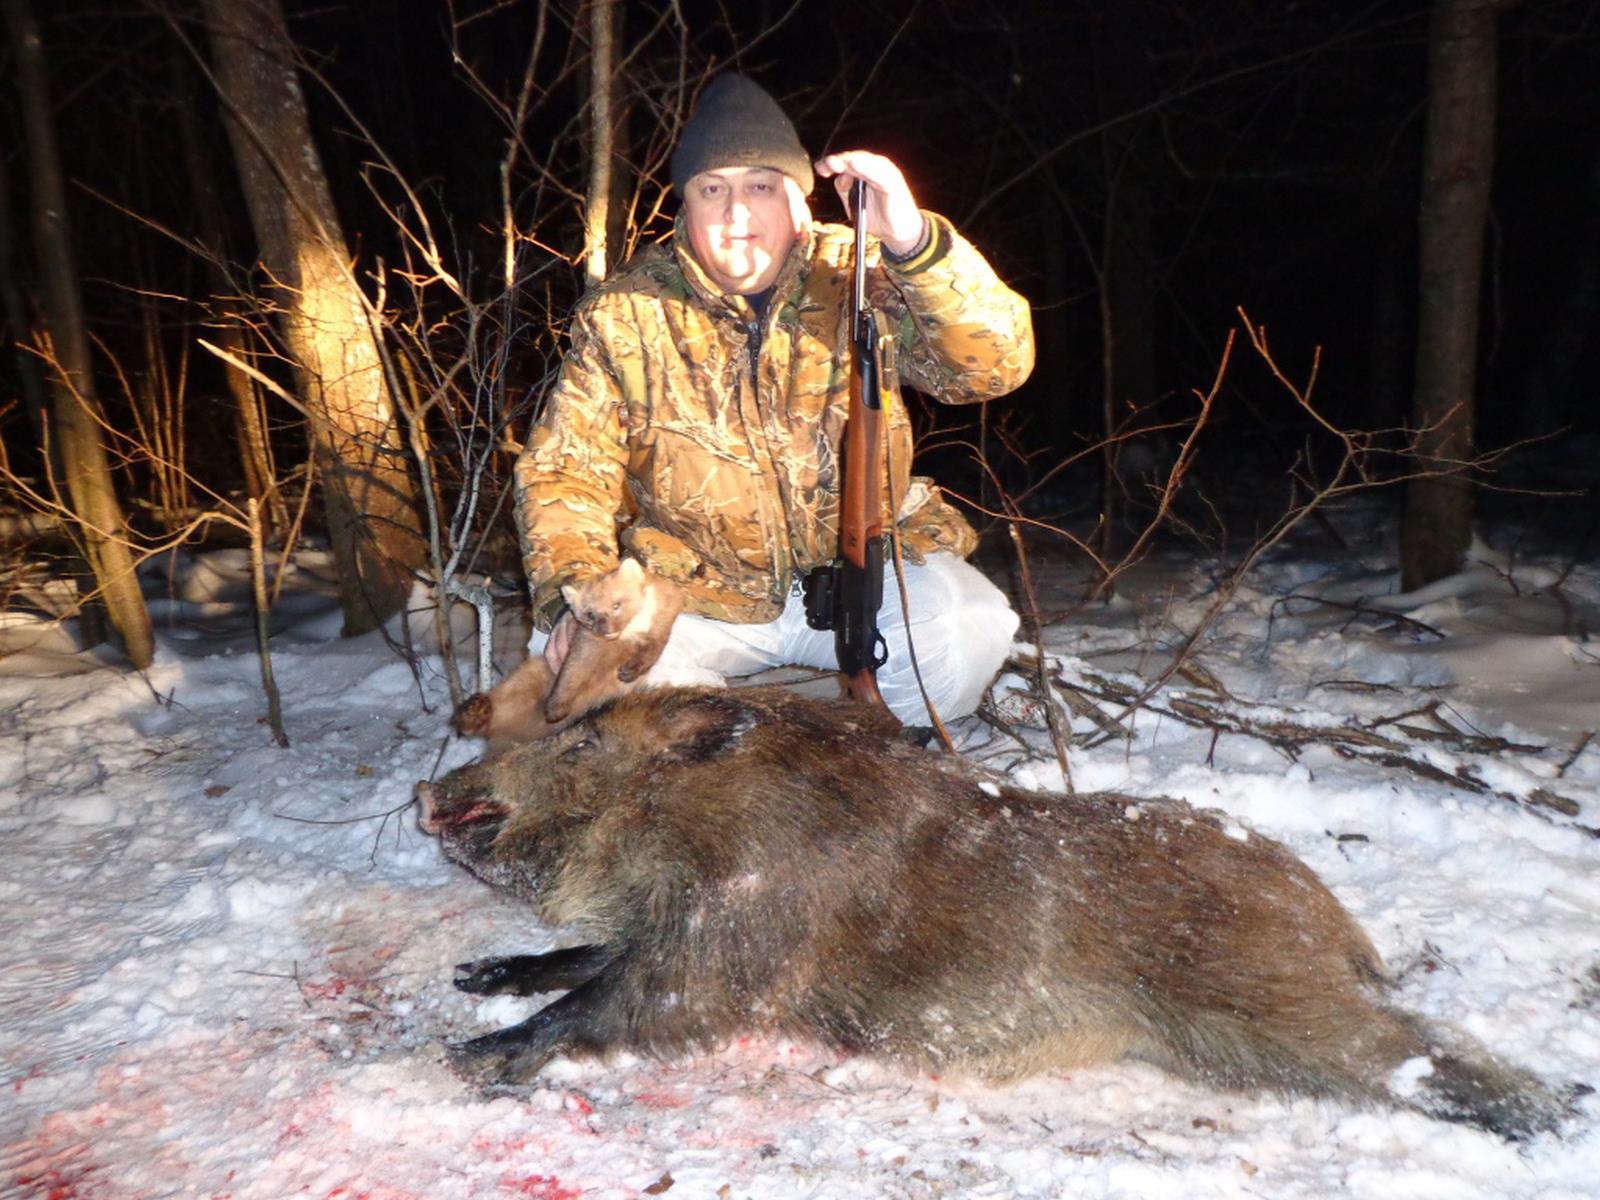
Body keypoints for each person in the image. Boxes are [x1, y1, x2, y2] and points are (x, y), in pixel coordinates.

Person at [512, 72, 1034, 725]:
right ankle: (749, 733)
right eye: (713, 189)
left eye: (760, 186)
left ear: (799, 202)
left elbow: (992, 368)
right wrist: (580, 594)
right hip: (698, 594)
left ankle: (814, 727)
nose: (737, 215)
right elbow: (565, 473)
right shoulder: (626, 314)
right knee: (576, 667)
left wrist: (912, 245)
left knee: (967, 634)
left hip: (863, 576)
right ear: (685, 206)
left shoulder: (860, 272)